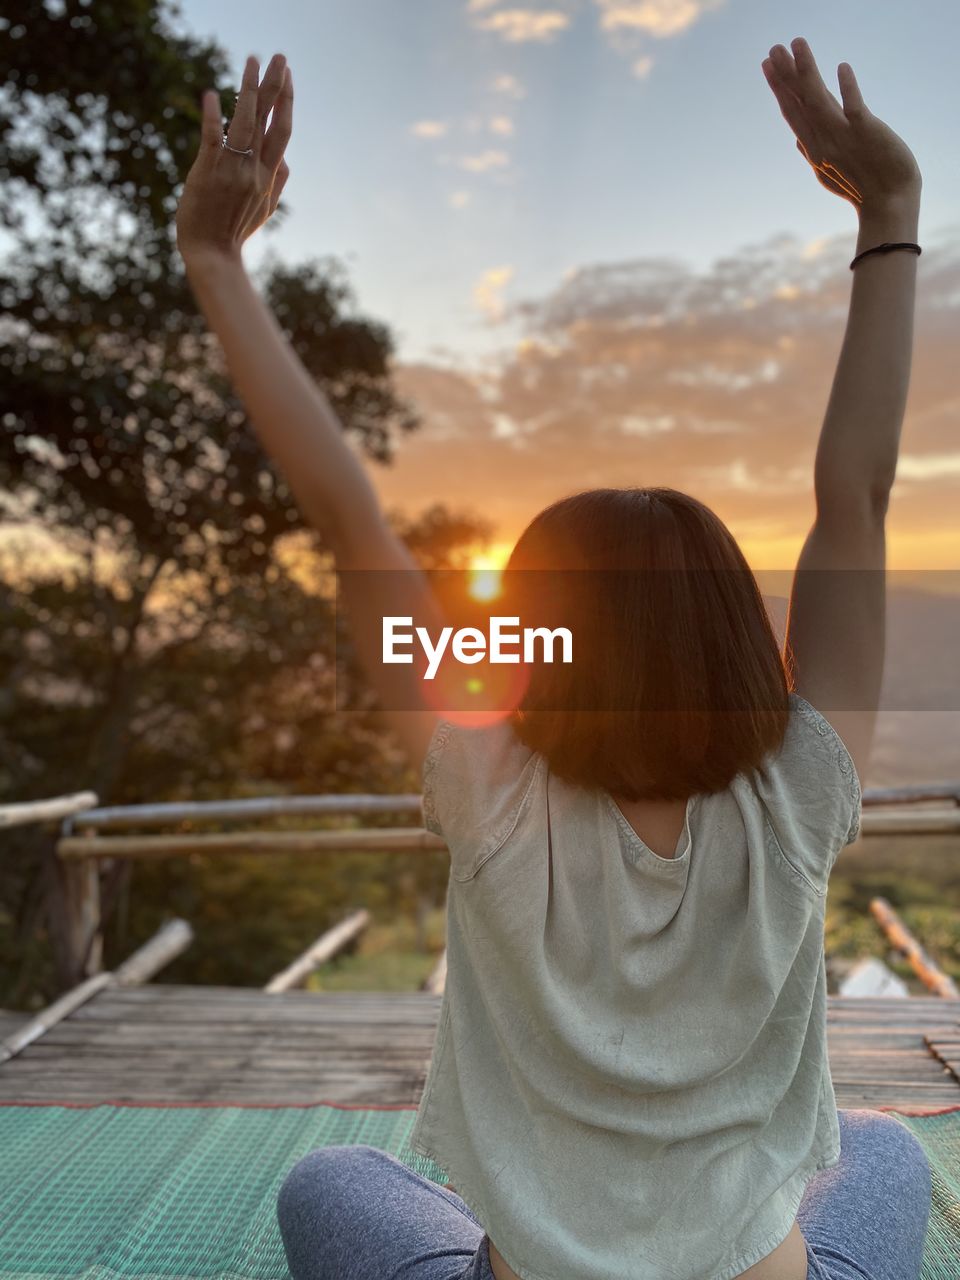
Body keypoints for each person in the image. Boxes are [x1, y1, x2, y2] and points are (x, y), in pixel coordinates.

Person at [175, 34, 932, 1280]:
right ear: (745, 638)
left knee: (328, 1180)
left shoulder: (488, 784)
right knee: (885, 1151)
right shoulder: (800, 784)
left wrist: (215, 256)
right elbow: (854, 497)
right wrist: (889, 211)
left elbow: (352, 520)